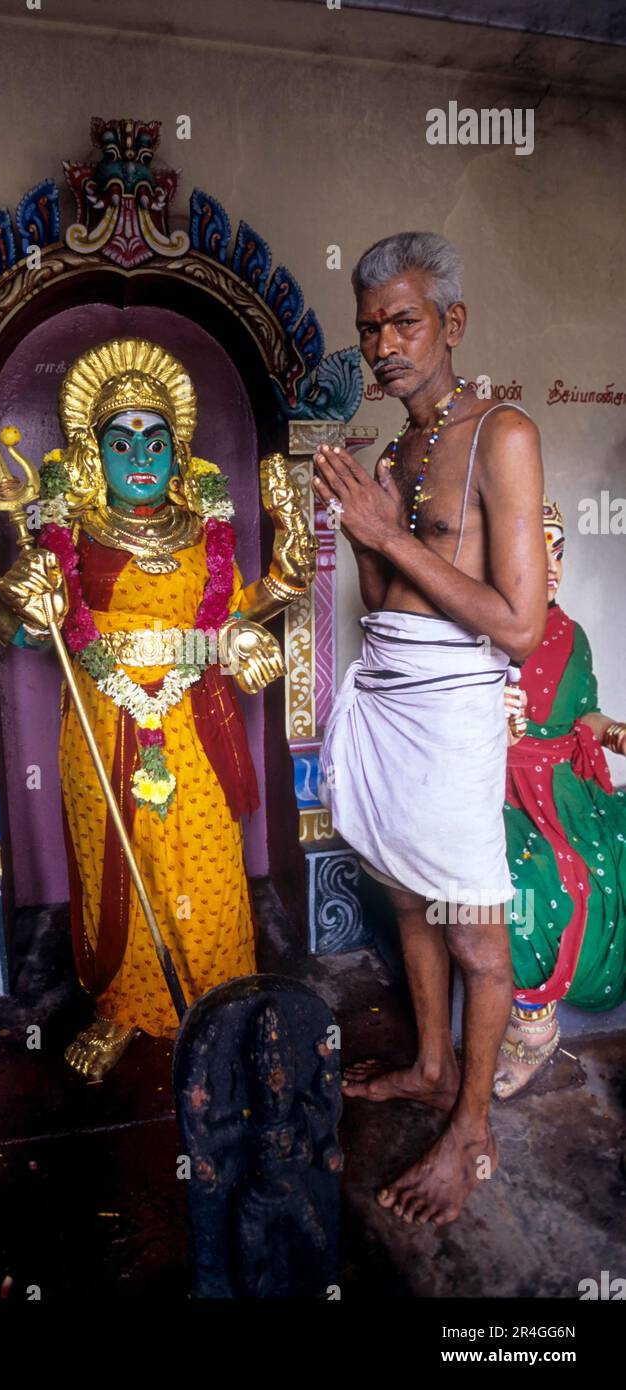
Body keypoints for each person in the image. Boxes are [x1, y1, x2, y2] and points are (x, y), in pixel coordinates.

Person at [0, 337, 316, 1081]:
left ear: (178, 454)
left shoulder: (207, 534)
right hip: (103, 721)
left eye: (156, 439)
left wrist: (281, 580)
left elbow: (230, 617)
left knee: (207, 855)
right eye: (120, 440)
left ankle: (222, 993)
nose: (140, 455)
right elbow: (28, 633)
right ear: (93, 452)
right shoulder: (66, 536)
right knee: (113, 858)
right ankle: (123, 1005)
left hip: (194, 721)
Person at [313, 231, 547, 1226]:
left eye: (403, 320)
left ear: (451, 323)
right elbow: (381, 600)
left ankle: (470, 1128)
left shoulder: (503, 434)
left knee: (477, 936)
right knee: (408, 897)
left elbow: (520, 625)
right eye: (369, 327)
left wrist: (385, 532)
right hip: (388, 696)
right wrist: (347, 533)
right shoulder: (390, 452)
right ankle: (430, 1062)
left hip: (453, 710)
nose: (382, 344)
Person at [494, 496, 626, 1098]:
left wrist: (618, 732)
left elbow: (585, 715)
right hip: (495, 783)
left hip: (565, 784)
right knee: (530, 877)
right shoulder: (478, 629)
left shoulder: (572, 633)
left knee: (606, 856)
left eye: (559, 548)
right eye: (533, 548)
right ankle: (533, 1027)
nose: (549, 563)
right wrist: (493, 723)